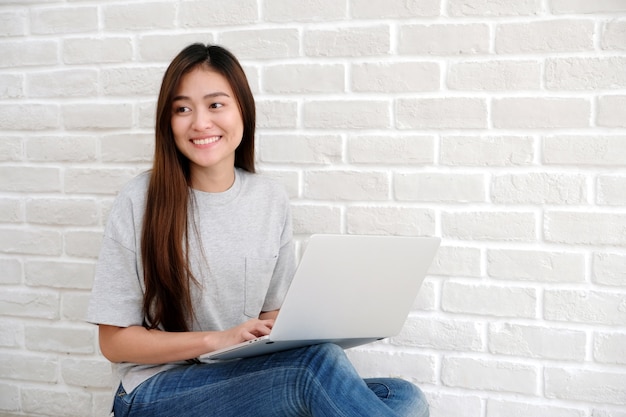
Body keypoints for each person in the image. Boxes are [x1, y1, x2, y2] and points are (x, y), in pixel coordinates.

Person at [87, 43, 429, 417]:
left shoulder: (269, 198)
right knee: (312, 370)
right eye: (183, 109)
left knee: (403, 397)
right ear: (168, 122)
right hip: (155, 391)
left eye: (215, 105)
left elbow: (274, 318)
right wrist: (217, 340)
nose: (200, 122)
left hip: (243, 379)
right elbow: (114, 342)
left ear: (243, 111)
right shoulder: (139, 200)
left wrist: (323, 322)